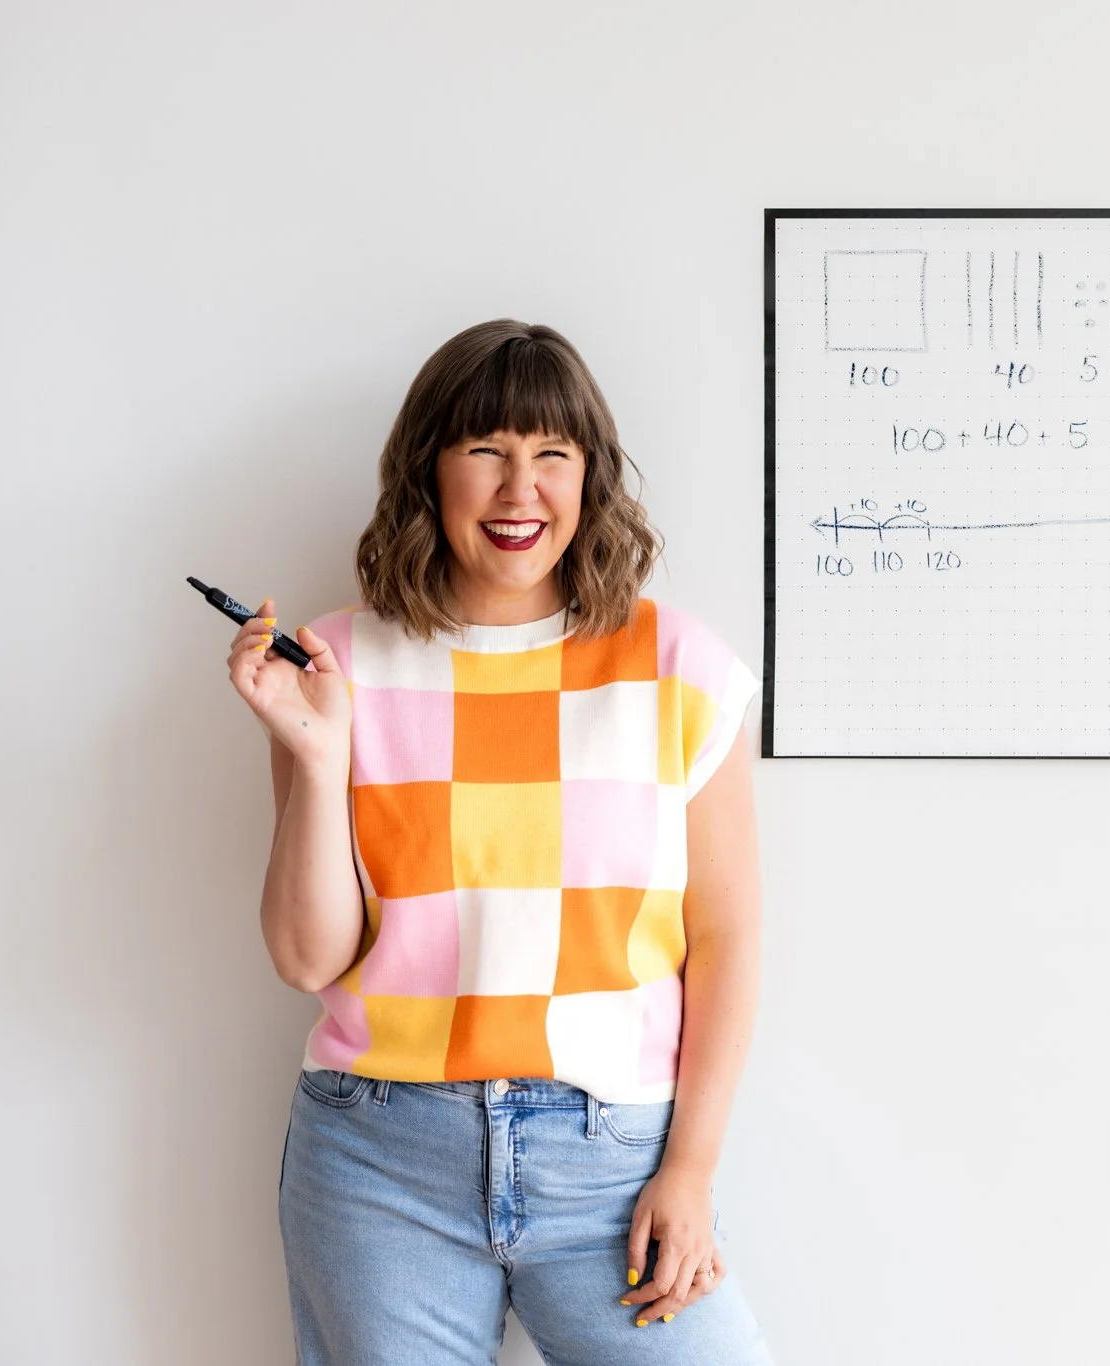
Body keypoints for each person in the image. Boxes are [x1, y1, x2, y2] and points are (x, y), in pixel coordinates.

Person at [223, 319, 776, 1365]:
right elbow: (305, 957)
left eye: (551, 453)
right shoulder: (335, 663)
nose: (521, 488)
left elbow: (728, 938)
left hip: (613, 1162)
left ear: (590, 475)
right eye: (484, 450)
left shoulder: (676, 666)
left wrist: (692, 1168)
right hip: (379, 1159)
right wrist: (316, 755)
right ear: (428, 469)